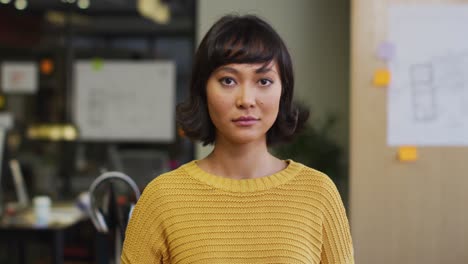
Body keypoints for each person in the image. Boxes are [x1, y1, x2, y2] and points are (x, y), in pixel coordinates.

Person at [121, 14, 354, 264]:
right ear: (203, 90)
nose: (246, 99)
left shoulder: (318, 191)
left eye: (263, 81)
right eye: (228, 80)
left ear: (283, 92)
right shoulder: (162, 196)